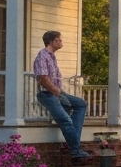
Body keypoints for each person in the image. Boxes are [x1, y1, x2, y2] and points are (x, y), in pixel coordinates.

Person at [32, 31, 90, 160]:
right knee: (66, 121)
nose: (61, 42)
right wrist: (57, 92)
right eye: (58, 40)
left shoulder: (51, 56)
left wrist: (59, 92)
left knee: (80, 104)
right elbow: (43, 79)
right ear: (51, 42)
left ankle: (73, 141)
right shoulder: (42, 56)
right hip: (47, 94)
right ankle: (75, 151)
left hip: (57, 92)